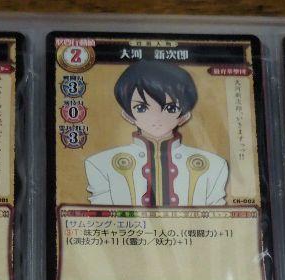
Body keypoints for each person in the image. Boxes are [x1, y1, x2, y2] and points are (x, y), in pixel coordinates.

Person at [84, 59, 228, 206]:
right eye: (141, 108)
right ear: (128, 116)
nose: (156, 118)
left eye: (170, 108)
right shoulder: (100, 165)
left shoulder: (214, 165)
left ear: (184, 116)